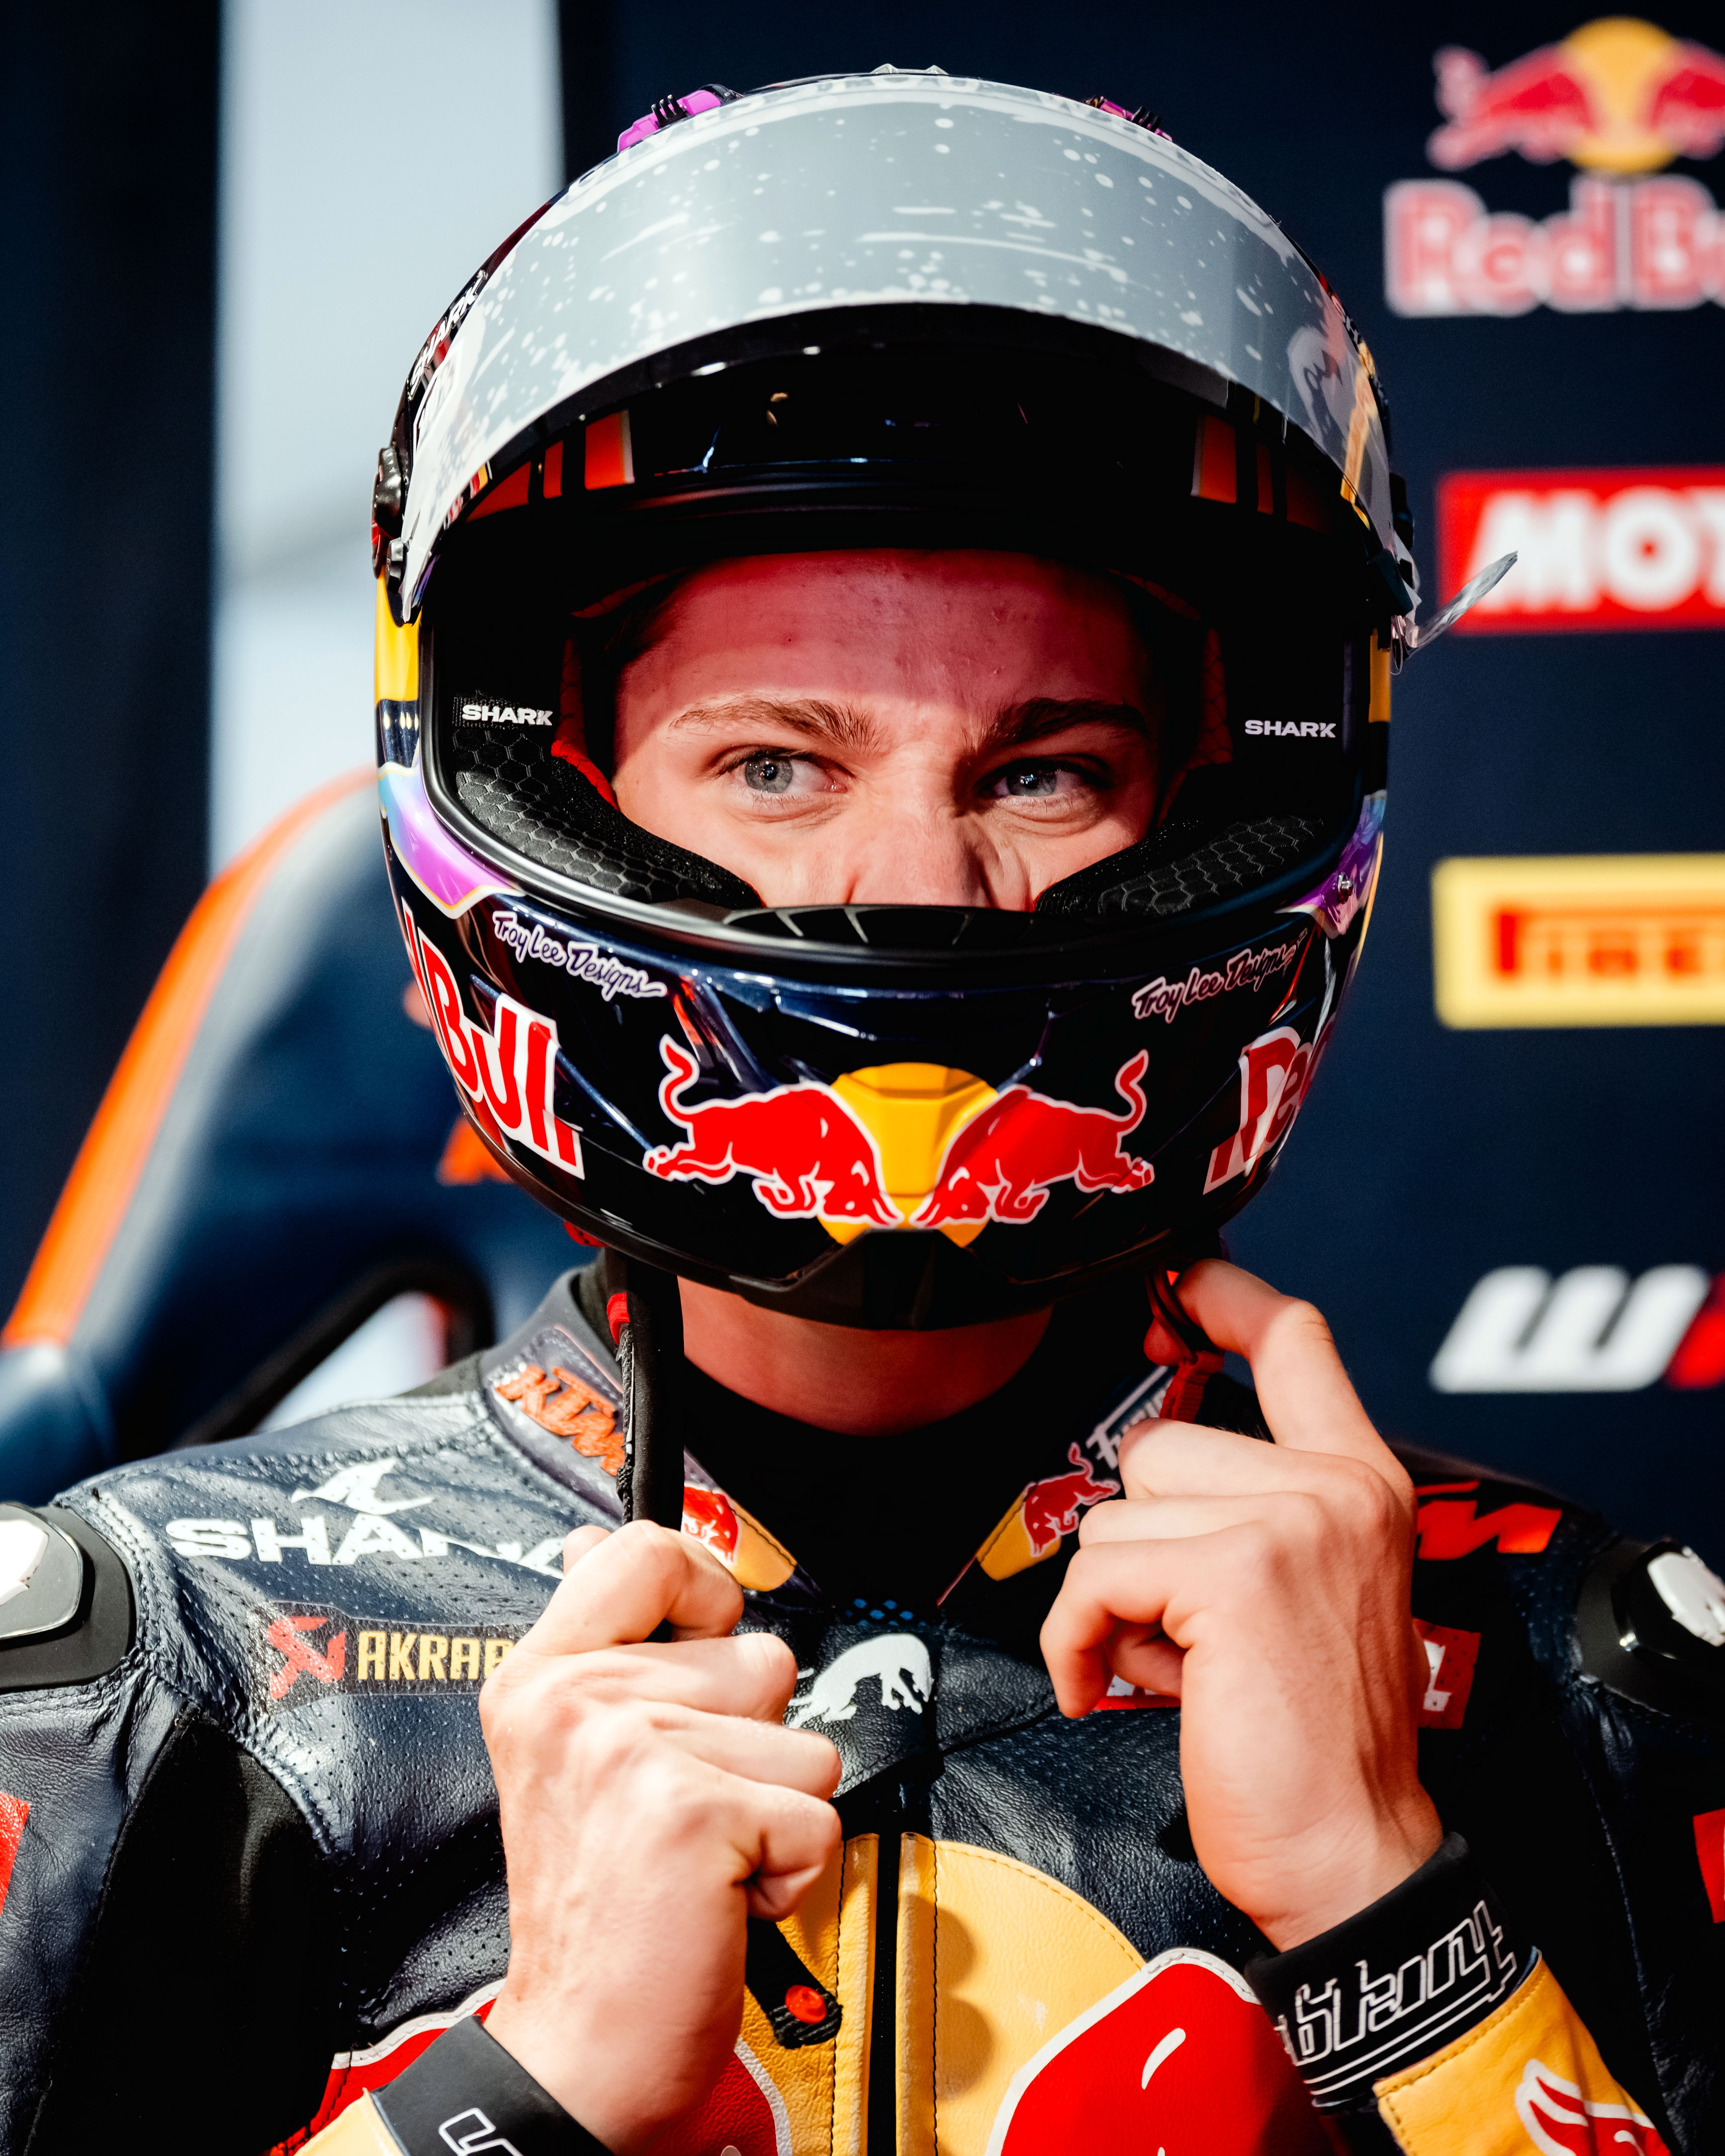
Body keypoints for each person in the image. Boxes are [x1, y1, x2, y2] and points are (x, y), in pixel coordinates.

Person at [0, 69, 1719, 2156]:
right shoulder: (146, 1669)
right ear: (554, 791)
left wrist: (1387, 1901)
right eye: (775, 766)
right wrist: (526, 2087)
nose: (912, 887)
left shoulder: (1576, 1665)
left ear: (1221, 812)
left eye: (1043, 772)